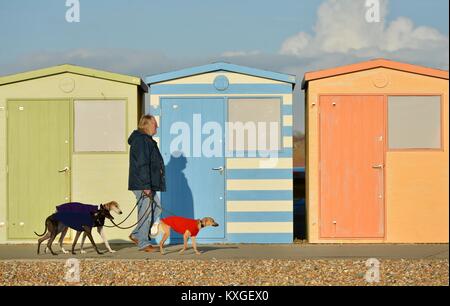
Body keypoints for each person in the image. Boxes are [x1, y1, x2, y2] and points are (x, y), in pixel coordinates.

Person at [128, 114, 166, 252]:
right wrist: (145, 185)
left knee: (156, 208)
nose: (157, 126)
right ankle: (143, 242)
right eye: (155, 124)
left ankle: (137, 234)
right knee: (146, 211)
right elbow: (142, 164)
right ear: (147, 125)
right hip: (142, 184)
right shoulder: (142, 140)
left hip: (146, 183)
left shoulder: (145, 140)